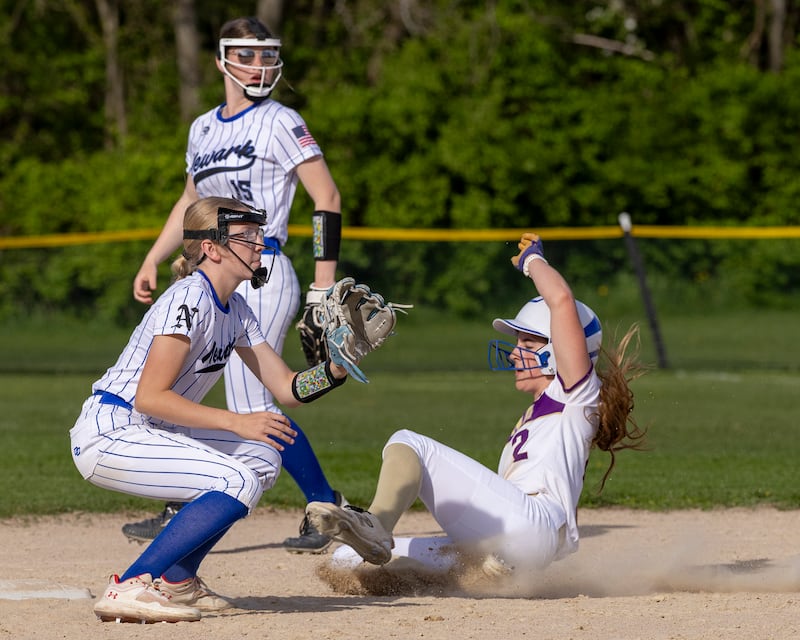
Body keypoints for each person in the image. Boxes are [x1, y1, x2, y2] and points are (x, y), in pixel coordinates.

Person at [70, 197, 354, 623]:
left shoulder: (237, 309)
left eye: (259, 235)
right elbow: (150, 397)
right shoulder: (189, 300)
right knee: (234, 477)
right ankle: (130, 584)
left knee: (264, 454)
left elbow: (288, 389)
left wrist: (335, 367)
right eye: (247, 236)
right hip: (110, 431)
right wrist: (236, 421)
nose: (259, 244)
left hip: (150, 430)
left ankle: (177, 580)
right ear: (212, 248)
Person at [127, 16, 345, 553]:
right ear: (221, 59)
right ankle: (186, 496)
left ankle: (325, 504)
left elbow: (327, 198)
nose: (259, 64)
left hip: (263, 269)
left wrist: (323, 286)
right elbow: (189, 202)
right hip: (210, 274)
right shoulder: (202, 127)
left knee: (258, 401)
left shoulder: (280, 119)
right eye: (246, 54)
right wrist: (155, 257)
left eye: (267, 54)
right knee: (179, 389)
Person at [306, 232, 646, 574]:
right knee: (346, 561)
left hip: (530, 526)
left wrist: (533, 260)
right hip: (515, 542)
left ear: (557, 352)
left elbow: (560, 299)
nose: (514, 352)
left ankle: (376, 525)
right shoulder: (537, 414)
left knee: (408, 442)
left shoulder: (574, 394)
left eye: (526, 342)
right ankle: (482, 573)